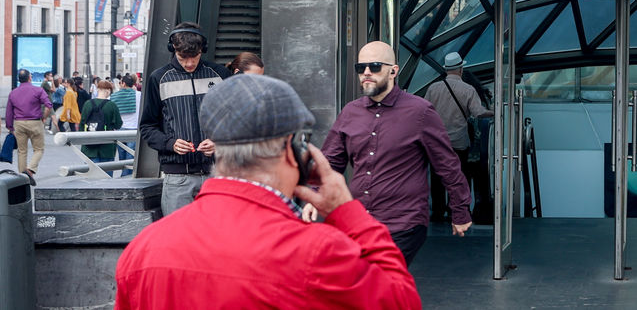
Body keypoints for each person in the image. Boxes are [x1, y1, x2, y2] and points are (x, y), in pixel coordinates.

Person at [114, 74, 421, 309]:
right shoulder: (317, 253)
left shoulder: (143, 248)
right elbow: (400, 299)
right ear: (293, 151)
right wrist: (346, 211)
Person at [323, 41, 472, 265]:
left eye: (374, 67)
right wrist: (312, 196)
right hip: (358, 223)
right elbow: (329, 162)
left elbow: (446, 164)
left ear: (393, 71)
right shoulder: (350, 112)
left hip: (403, 223)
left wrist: (460, 210)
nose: (366, 73)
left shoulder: (420, 112)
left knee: (378, 280)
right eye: (360, 68)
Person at [139, 23, 231, 215]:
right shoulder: (159, 78)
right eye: (183, 58)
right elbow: (147, 126)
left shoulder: (221, 75)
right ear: (173, 50)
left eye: (194, 57)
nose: (189, 63)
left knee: (219, 239)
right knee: (178, 241)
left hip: (218, 173)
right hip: (177, 177)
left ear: (202, 50)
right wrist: (170, 143)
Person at [424, 52, 493, 224]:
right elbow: (478, 112)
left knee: (437, 177)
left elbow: (424, 111)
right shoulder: (468, 90)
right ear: (461, 69)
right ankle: (456, 210)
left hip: (437, 142)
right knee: (458, 177)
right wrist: (494, 112)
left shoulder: (434, 89)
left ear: (447, 70)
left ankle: (438, 212)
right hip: (459, 143)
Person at [5, 69, 52, 183]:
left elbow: (9, 112)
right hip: (35, 122)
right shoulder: (38, 90)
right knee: (39, 149)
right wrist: (44, 118)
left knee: (22, 151)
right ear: (30, 78)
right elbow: (48, 105)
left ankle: (22, 178)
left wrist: (10, 127)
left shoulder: (13, 92)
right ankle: (30, 169)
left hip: (19, 123)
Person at [80, 80, 123, 163]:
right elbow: (118, 124)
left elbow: (82, 124)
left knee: (91, 174)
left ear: (98, 89)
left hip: (89, 147)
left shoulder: (87, 104)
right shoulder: (112, 105)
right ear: (108, 91)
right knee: (106, 174)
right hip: (107, 148)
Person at [110, 73, 140, 176]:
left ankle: (124, 175)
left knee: (122, 157)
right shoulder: (139, 95)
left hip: (120, 130)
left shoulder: (114, 96)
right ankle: (127, 176)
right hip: (134, 130)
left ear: (123, 83)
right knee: (131, 157)